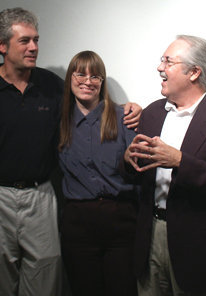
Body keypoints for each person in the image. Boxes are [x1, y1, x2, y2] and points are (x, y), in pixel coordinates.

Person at [0, 7, 141, 296]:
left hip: (40, 196)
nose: (34, 47)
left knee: (46, 280)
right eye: (25, 41)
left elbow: (90, 103)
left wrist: (129, 107)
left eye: (36, 40)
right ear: (1, 45)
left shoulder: (52, 87)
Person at [122, 35, 206, 296]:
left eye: (168, 61)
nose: (160, 67)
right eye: (162, 60)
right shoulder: (152, 112)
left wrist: (180, 161)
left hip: (200, 245)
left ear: (194, 72)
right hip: (150, 237)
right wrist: (128, 161)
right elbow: (139, 176)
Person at [58, 50, 138, 296]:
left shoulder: (124, 117)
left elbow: (139, 170)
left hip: (120, 221)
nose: (87, 81)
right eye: (80, 74)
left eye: (95, 76)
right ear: (70, 78)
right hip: (77, 223)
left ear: (102, 82)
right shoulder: (58, 120)